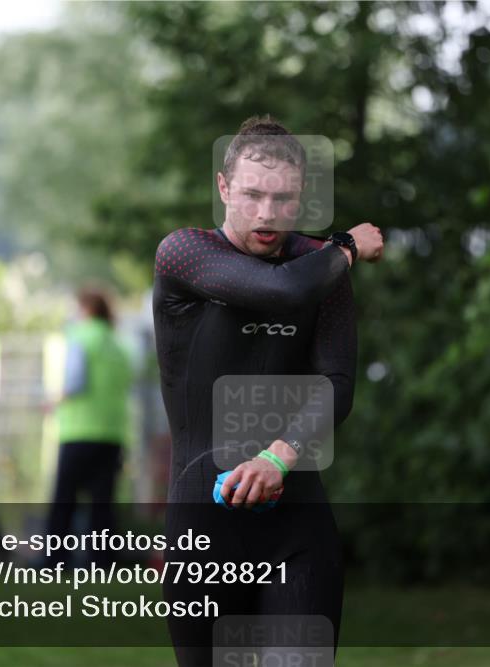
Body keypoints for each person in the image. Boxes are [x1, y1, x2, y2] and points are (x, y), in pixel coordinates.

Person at [152, 115, 383, 666]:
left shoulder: (320, 266)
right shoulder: (184, 253)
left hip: (296, 531)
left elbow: (337, 382)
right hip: (203, 531)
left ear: (301, 196)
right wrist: (347, 245)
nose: (266, 214)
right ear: (224, 187)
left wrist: (279, 456)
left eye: (283, 199)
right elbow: (280, 291)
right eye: (252, 195)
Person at [43, 285, 133, 568]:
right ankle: (102, 560)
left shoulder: (80, 336)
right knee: (102, 502)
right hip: (113, 432)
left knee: (64, 499)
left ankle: (56, 558)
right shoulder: (119, 345)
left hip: (79, 430)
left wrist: (53, 402)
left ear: (86, 309)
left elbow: (74, 381)